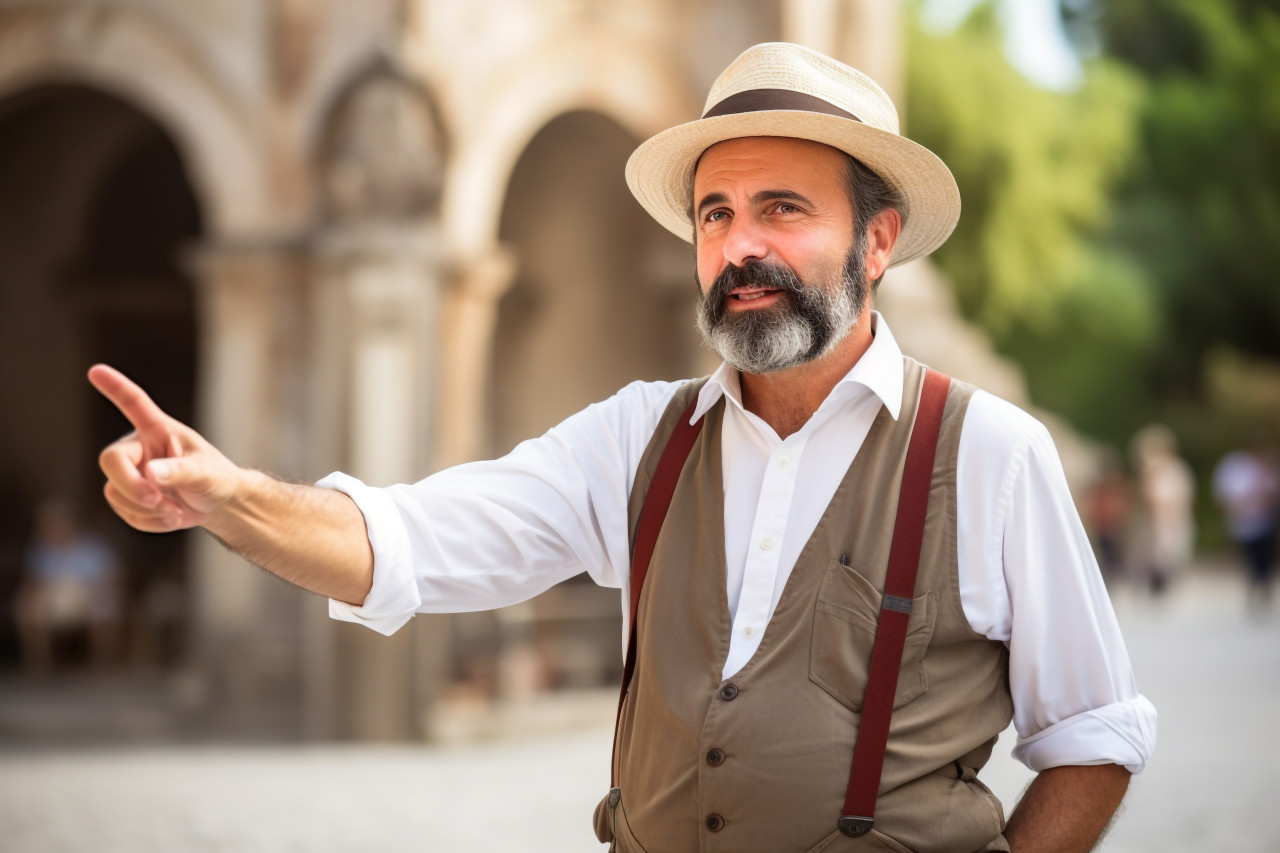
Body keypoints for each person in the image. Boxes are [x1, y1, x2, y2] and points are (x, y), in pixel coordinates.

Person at [91, 43, 1154, 853]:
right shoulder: (642, 438)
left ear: (876, 241)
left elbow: (1093, 733)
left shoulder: (987, 453)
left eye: (781, 209)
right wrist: (225, 497)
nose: (739, 245)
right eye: (715, 214)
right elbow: (407, 540)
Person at [14, 499, 122, 675]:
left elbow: (112, 576)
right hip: (53, 599)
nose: (53, 529)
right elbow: (33, 582)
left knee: (105, 601)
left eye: (57, 524)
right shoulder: (40, 551)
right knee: (27, 604)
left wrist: (97, 591)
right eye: (48, 525)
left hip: (88, 594)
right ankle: (39, 666)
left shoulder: (92, 547)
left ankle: (104, 666)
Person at [1212, 440, 1280, 610]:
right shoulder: (1236, 468)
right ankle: (1255, 586)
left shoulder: (1267, 467)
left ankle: (1263, 586)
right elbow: (1225, 496)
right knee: (1251, 558)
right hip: (1244, 523)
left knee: (1265, 558)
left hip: (1265, 522)